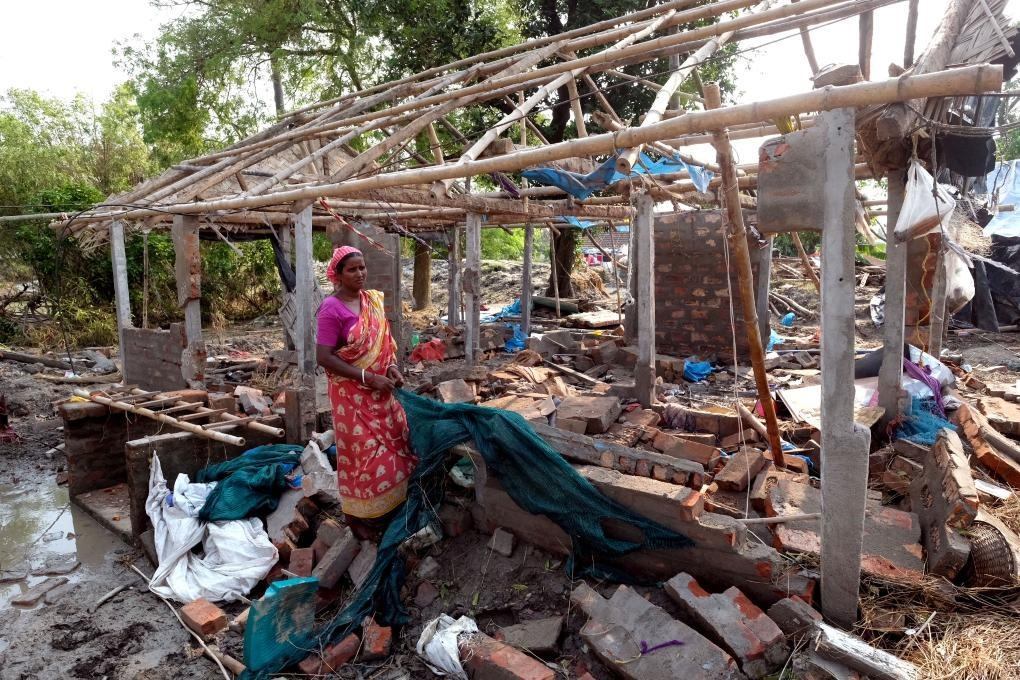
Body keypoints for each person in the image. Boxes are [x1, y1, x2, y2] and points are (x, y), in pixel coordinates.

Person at [316, 246, 416, 536]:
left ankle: (390, 511)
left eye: (362, 267)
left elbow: (384, 343)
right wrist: (366, 377)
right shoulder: (331, 309)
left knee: (398, 443)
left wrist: (391, 367)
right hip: (351, 397)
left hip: (382, 392)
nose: (360, 273)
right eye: (352, 269)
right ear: (337, 275)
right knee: (365, 457)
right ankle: (362, 519)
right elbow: (324, 357)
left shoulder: (371, 301)